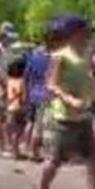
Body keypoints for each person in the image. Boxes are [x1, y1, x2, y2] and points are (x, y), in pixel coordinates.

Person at [30, 15, 95, 189]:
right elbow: (51, 84)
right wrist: (70, 99)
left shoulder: (87, 54)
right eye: (84, 31)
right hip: (62, 117)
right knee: (54, 160)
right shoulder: (60, 56)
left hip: (83, 116)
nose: (88, 35)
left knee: (93, 157)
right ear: (73, 34)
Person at [23, 22, 61, 162]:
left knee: (32, 123)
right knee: (44, 125)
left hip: (34, 93)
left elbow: (26, 76)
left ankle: (30, 149)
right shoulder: (51, 58)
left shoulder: (33, 55)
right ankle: (40, 151)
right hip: (46, 94)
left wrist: (25, 93)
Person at [0, 22, 18, 157]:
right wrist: (3, 83)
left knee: (10, 114)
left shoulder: (11, 49)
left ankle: (9, 144)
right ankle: (1, 147)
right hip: (0, 84)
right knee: (0, 115)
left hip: (11, 83)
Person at [5, 55, 29, 160]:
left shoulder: (10, 81)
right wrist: (25, 104)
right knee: (19, 132)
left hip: (10, 107)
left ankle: (15, 152)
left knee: (13, 131)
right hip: (19, 107)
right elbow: (23, 95)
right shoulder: (22, 81)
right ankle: (17, 152)